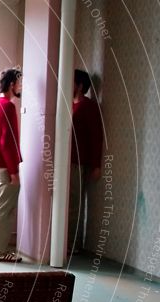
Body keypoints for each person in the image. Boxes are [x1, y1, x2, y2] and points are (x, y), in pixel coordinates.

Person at [0, 67, 23, 262]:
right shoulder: (8, 106)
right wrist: (14, 171)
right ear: (11, 84)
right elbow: (7, 141)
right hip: (5, 166)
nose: (20, 86)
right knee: (5, 209)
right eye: (19, 82)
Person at [69, 69, 104, 254]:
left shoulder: (88, 107)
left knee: (75, 203)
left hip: (78, 162)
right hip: (65, 163)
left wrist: (96, 165)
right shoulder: (68, 104)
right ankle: (63, 242)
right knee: (66, 203)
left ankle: (72, 245)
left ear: (80, 85)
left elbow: (96, 136)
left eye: (72, 81)